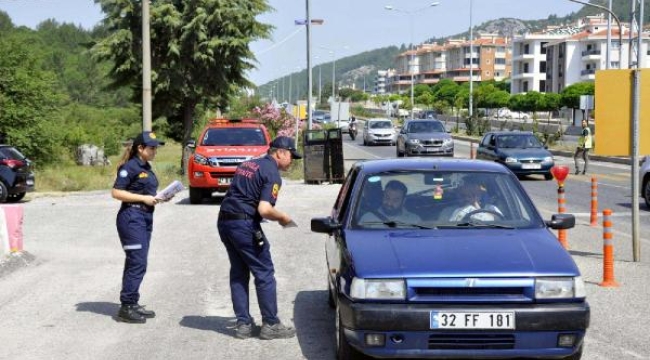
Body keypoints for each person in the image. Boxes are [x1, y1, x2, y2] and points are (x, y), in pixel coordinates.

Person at [217, 136, 301, 340]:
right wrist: (283, 217)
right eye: (291, 155)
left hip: (225, 222)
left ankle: (243, 325)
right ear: (280, 152)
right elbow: (264, 209)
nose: (292, 161)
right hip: (244, 225)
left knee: (239, 272)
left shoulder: (249, 163)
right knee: (264, 272)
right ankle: (271, 324)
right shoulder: (272, 173)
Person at [111, 131, 167, 324]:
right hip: (131, 217)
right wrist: (144, 198)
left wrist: (160, 196)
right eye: (151, 148)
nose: (155, 151)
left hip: (144, 217)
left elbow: (144, 191)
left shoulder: (146, 167)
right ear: (140, 148)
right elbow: (116, 192)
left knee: (137, 261)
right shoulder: (130, 167)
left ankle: (132, 302)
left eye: (156, 148)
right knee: (138, 262)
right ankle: (126, 307)